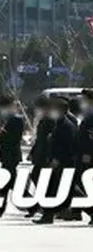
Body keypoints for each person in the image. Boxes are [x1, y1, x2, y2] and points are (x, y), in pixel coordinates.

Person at [33, 96, 78, 224]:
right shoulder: (59, 123)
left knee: (58, 188)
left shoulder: (66, 125)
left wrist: (56, 160)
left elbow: (67, 146)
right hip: (56, 161)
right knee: (53, 188)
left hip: (63, 162)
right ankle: (48, 215)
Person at [25, 95, 55, 218]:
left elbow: (51, 141)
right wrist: (32, 154)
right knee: (36, 176)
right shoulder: (43, 119)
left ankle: (46, 206)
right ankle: (41, 205)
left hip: (46, 156)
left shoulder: (51, 121)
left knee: (44, 180)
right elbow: (40, 140)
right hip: (39, 155)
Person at [74, 89, 93, 225]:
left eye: (83, 99)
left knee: (79, 183)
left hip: (87, 156)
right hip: (82, 153)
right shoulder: (87, 113)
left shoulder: (91, 114)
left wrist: (88, 154)